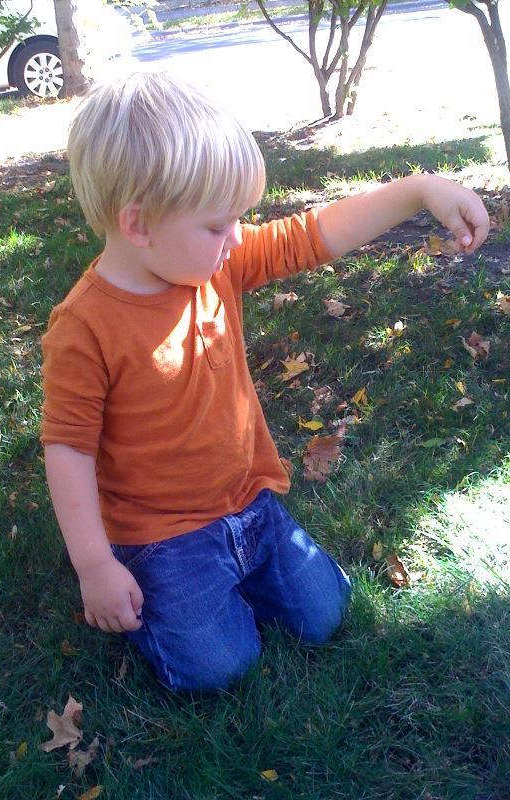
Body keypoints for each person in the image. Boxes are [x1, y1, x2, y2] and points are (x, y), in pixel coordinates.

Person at [41, 69, 489, 693]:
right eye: (217, 225)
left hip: (249, 504)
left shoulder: (212, 265)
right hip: (161, 536)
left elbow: (312, 236)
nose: (236, 239)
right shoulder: (84, 327)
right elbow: (68, 449)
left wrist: (419, 191)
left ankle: (238, 575)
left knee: (325, 614)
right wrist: (94, 565)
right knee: (219, 669)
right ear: (138, 224)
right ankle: (166, 600)